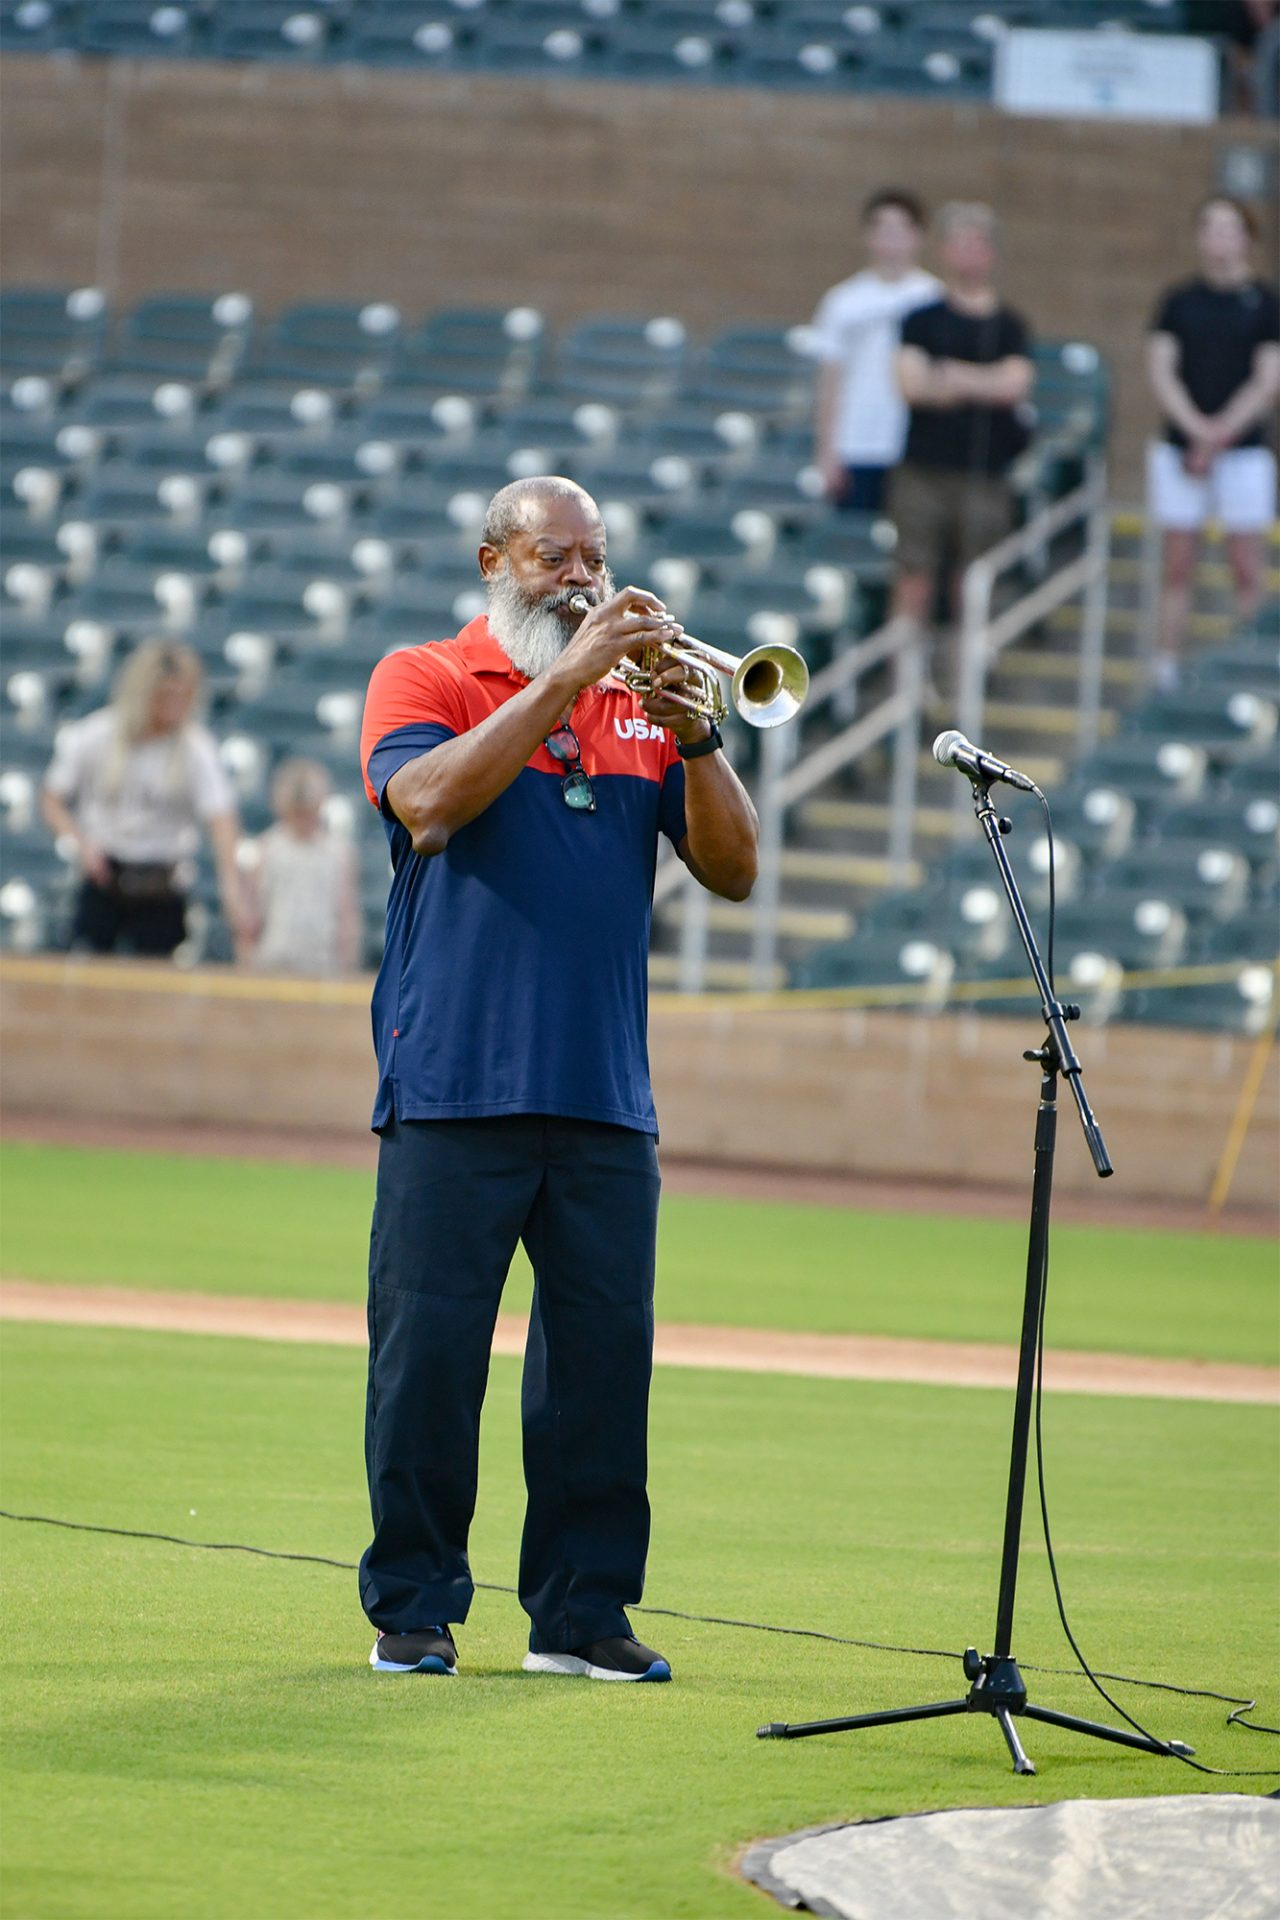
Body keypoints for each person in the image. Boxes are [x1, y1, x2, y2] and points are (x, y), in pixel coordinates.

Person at [356, 475, 759, 1683]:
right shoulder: (422, 674)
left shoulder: (644, 710)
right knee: (428, 1361)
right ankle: (414, 1607)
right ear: (494, 561)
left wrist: (693, 732)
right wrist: (567, 678)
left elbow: (732, 873)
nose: (581, 576)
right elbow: (425, 805)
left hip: (600, 1093)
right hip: (451, 1084)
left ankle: (582, 1614)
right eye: (552, 558)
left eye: (593, 555)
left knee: (601, 1367)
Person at [890, 203, 1034, 696]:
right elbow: (911, 384)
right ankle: (909, 684)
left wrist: (952, 376)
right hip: (923, 471)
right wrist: (982, 382)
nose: (970, 252)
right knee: (915, 576)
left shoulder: (1009, 324)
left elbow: (1014, 384)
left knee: (973, 582)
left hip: (985, 475)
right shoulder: (921, 319)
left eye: (979, 242)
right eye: (961, 241)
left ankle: (964, 679)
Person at [40, 638, 250, 960]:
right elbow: (52, 797)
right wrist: (80, 844)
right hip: (105, 879)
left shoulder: (195, 748)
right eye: (165, 694)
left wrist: (231, 887)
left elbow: (221, 818)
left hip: (161, 888)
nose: (174, 705)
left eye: (182, 695)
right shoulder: (98, 733)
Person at [1146, 195, 1280, 691]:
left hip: (1242, 451)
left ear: (1246, 239)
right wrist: (1196, 431)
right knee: (1178, 562)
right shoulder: (1179, 302)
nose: (1219, 239)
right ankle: (1167, 665)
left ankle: (1250, 666)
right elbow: (1162, 371)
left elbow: (1267, 380)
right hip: (1184, 450)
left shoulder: (1265, 304)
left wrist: (1220, 433)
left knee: (1247, 563)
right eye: (1210, 228)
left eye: (1230, 229)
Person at [810, 188, 941, 514]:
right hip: (855, 445)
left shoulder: (934, 299)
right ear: (868, 235)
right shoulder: (843, 300)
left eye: (901, 230)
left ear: (918, 237)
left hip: (915, 449)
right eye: (883, 229)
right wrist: (827, 452)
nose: (892, 240)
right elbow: (830, 380)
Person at [244, 757, 359, 976]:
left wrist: (347, 965)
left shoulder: (339, 853)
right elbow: (251, 917)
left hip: (324, 964)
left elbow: (347, 917)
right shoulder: (266, 849)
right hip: (273, 961)